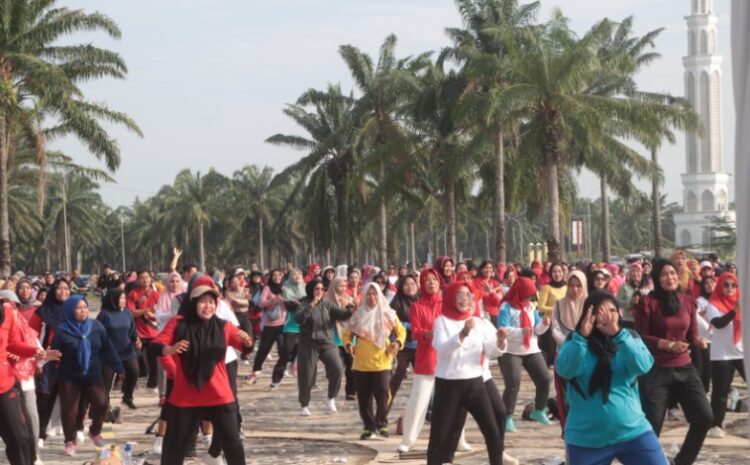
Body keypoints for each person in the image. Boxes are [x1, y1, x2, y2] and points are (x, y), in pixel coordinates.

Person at [150, 279, 253, 465]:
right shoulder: (178, 323)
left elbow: (244, 346)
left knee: (233, 444)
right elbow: (156, 345)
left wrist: (247, 342)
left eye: (212, 302)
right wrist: (169, 350)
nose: (208, 306)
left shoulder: (224, 326)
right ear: (193, 303)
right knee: (174, 446)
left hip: (219, 394)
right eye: (203, 301)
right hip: (185, 396)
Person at [556, 291, 666, 465]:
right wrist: (581, 339)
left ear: (619, 313)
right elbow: (565, 370)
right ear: (588, 315)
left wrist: (618, 334)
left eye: (612, 310)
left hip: (633, 431)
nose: (608, 316)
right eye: (601, 312)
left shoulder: (629, 337)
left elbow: (644, 365)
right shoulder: (574, 340)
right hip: (586, 440)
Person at [634, 259, 712, 465]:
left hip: (684, 367)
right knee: (652, 427)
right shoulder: (647, 303)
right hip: (656, 369)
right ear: (657, 278)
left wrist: (698, 340)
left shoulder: (687, 300)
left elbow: (692, 333)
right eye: (664, 274)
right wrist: (667, 345)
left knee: (704, 417)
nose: (670, 278)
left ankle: (682, 462)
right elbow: (640, 336)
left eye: (673, 273)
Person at [427, 282, 509, 465]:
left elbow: (490, 350)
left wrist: (500, 341)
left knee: (493, 432)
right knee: (440, 435)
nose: (465, 299)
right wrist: (463, 332)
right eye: (460, 294)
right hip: (449, 384)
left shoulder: (479, 323)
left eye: (468, 295)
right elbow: (441, 348)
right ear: (450, 297)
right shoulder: (442, 321)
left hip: (474, 383)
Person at [51, 295, 124, 455]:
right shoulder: (62, 330)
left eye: (85, 307)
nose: (83, 311)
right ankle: (70, 441)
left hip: (92, 375)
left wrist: (119, 368)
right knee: (70, 411)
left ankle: (94, 431)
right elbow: (54, 355)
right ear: (70, 310)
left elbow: (108, 349)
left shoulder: (96, 326)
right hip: (69, 377)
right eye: (78, 308)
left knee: (102, 403)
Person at [1, 302, 60, 465]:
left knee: (20, 438)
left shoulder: (6, 312)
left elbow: (12, 344)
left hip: (4, 386)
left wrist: (34, 351)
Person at [344, 283, 405, 439]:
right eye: (369, 294)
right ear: (364, 296)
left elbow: (401, 331)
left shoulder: (388, 314)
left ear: (380, 295)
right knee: (363, 397)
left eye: (375, 294)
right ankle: (368, 426)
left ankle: (382, 423)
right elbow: (347, 334)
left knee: (383, 393)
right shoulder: (358, 315)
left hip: (382, 360)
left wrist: (397, 343)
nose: (372, 297)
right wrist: (349, 344)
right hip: (361, 362)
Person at [497, 276, 553, 431]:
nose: (529, 297)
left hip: (531, 349)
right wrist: (521, 332)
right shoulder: (506, 307)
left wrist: (544, 324)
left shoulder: (530, 307)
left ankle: (539, 409)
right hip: (511, 350)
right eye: (527, 293)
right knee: (513, 383)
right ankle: (507, 416)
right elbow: (503, 329)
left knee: (545, 378)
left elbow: (536, 329)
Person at [295, 278, 352, 416]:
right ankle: (304, 404)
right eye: (317, 289)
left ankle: (331, 398)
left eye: (321, 289)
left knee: (337, 368)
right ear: (311, 290)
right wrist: (311, 305)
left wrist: (350, 308)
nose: (319, 292)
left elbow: (342, 315)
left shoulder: (327, 305)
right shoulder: (303, 303)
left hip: (327, 342)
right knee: (306, 375)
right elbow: (299, 318)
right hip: (308, 343)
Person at [29, 278, 71, 445]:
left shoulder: (75, 310)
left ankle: (70, 433)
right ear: (53, 291)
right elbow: (31, 335)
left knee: (69, 397)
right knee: (45, 396)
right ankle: (40, 434)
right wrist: (38, 360)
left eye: (66, 288)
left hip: (69, 360)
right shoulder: (42, 311)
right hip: (47, 360)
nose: (63, 291)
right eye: (59, 288)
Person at [705, 273, 744, 438]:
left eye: (733, 285)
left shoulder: (742, 302)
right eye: (726, 285)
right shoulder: (713, 304)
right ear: (720, 286)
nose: (729, 288)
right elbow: (719, 324)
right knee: (720, 392)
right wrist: (734, 312)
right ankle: (715, 425)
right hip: (722, 355)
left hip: (742, 352)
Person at [550, 270, 588, 431]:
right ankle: (569, 429)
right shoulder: (559, 304)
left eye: (579, 286)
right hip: (564, 355)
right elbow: (555, 329)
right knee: (565, 396)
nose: (575, 289)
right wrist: (571, 344)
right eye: (571, 285)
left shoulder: (589, 305)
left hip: (586, 356)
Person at [97, 289, 141, 409]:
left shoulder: (127, 313)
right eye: (121, 298)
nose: (123, 301)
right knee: (106, 379)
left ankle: (127, 397)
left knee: (134, 371)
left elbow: (133, 330)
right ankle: (104, 404)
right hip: (109, 354)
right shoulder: (104, 314)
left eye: (124, 298)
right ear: (113, 299)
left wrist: (136, 338)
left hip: (126, 350)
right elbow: (97, 333)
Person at [249, 269, 288, 384]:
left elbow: (289, 302)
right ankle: (255, 372)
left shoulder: (284, 289)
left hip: (283, 323)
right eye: (274, 275)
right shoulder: (267, 288)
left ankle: (279, 374)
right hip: (269, 325)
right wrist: (273, 300)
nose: (277, 277)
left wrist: (284, 300)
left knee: (283, 349)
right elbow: (260, 303)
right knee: (263, 350)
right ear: (270, 277)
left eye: (279, 275)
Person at [388, 274, 419, 409]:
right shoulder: (396, 302)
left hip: (419, 347)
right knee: (396, 380)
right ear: (401, 287)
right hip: (402, 347)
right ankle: (382, 414)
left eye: (413, 284)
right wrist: (408, 326)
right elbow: (391, 323)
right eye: (406, 284)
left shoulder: (421, 301)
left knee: (424, 380)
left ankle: (429, 411)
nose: (410, 287)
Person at [126, 270, 161, 390]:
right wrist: (146, 310)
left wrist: (152, 313)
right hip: (138, 333)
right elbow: (130, 313)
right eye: (141, 277)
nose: (145, 280)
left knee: (154, 362)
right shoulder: (132, 294)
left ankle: (152, 385)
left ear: (151, 279)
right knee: (136, 360)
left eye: (147, 277)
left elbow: (160, 313)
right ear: (137, 280)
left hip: (153, 332)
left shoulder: (157, 294)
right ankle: (132, 383)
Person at [271, 269, 305, 388]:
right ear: (290, 276)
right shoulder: (286, 289)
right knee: (285, 353)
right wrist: (300, 303)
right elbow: (290, 306)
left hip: (304, 327)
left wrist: (299, 303)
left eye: (299, 274)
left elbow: (308, 303)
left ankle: (295, 367)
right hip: (290, 326)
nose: (297, 276)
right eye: (295, 274)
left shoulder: (305, 288)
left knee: (303, 352)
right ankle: (276, 378)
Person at [324, 277, 356, 400]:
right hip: (332, 339)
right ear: (333, 286)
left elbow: (354, 317)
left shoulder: (349, 299)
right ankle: (333, 392)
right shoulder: (326, 301)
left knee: (351, 366)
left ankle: (350, 391)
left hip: (348, 339)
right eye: (340, 286)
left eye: (344, 286)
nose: (342, 288)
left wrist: (349, 308)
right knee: (336, 367)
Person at [538, 263, 567, 366]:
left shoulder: (566, 287)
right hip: (550, 322)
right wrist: (557, 308)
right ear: (550, 273)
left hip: (565, 323)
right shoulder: (547, 287)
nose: (557, 274)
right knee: (551, 348)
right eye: (554, 272)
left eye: (559, 271)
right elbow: (541, 307)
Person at [693, 276, 715, 393]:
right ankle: (703, 391)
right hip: (706, 338)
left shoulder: (720, 299)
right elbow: (696, 317)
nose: (710, 285)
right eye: (707, 283)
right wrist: (708, 309)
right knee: (704, 366)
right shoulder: (700, 301)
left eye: (712, 282)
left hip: (720, 339)